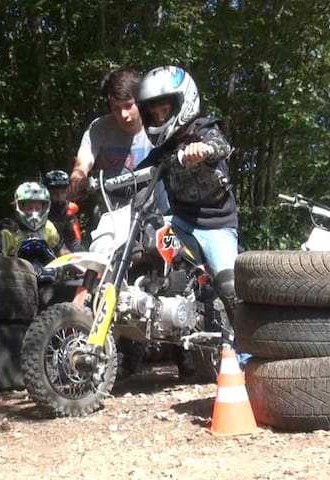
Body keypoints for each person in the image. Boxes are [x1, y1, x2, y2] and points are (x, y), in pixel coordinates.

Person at [136, 66, 241, 373]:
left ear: (182, 103)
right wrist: (108, 182)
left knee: (230, 288)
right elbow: (140, 174)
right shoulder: (162, 149)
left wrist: (203, 149)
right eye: (152, 112)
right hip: (181, 222)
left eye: (163, 108)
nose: (157, 116)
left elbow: (222, 146)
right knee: (146, 235)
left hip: (217, 225)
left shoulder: (205, 129)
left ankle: (249, 355)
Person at [68, 67, 168, 227]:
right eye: (116, 108)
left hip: (153, 214)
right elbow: (83, 161)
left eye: (128, 106)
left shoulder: (158, 127)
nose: (123, 114)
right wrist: (78, 177)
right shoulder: (99, 128)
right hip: (110, 216)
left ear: (140, 102)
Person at [0, 181, 65, 257]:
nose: (34, 213)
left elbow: (62, 252)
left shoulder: (49, 227)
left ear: (44, 208)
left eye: (38, 208)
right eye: (29, 208)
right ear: (20, 207)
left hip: (45, 268)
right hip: (17, 268)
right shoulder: (7, 232)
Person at [43, 170, 83, 252]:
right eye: (54, 193)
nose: (59, 197)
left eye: (62, 192)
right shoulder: (40, 210)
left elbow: (75, 242)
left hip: (62, 253)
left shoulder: (69, 212)